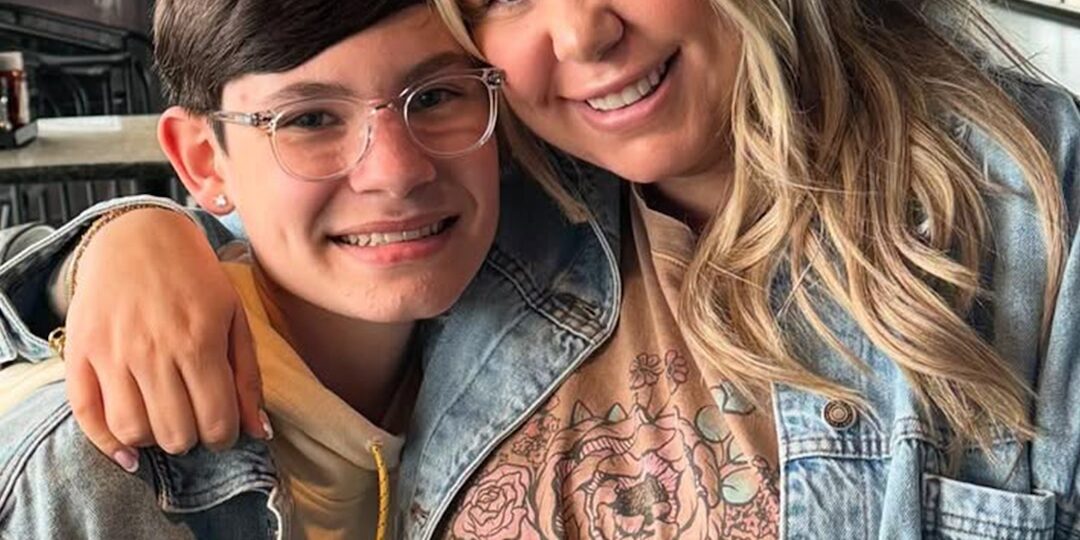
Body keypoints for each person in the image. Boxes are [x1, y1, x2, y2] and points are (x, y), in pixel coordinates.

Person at [3, 0, 1079, 537]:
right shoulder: (509, 178)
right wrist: (124, 239)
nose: (584, 34)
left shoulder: (1031, 206)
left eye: (434, 99)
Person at [0, 0, 509, 537]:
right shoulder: (91, 473)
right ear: (203, 161)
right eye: (309, 120)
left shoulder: (531, 324)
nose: (396, 172)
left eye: (434, 97)